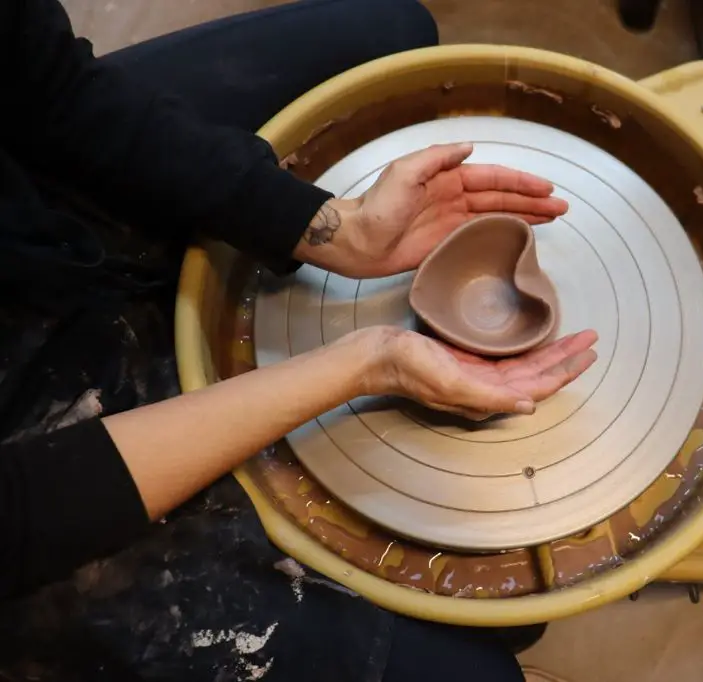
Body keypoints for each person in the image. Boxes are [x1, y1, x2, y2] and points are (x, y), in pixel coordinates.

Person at [0, 0, 595, 679]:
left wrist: (332, 227)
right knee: (472, 674)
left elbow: (46, 87)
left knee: (393, 32)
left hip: (26, 217)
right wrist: (362, 364)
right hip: (26, 483)